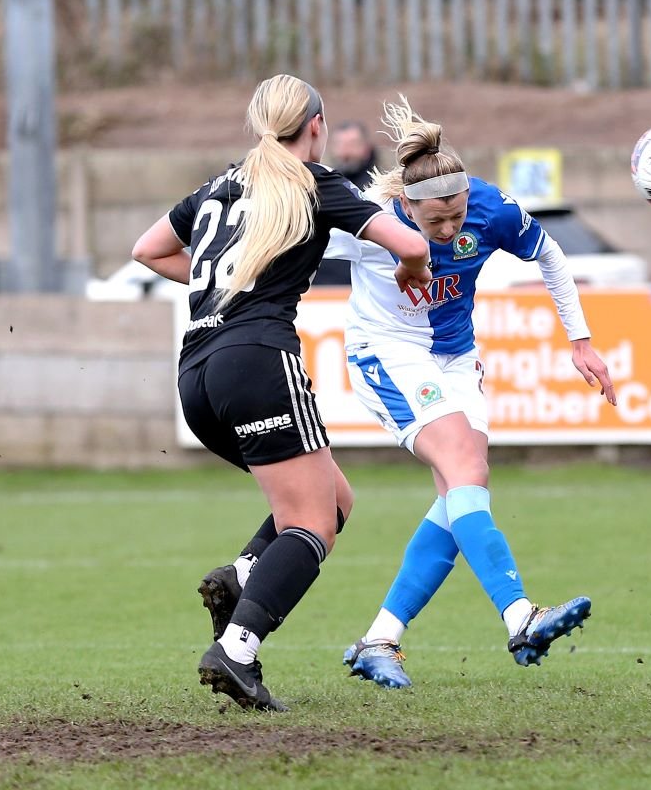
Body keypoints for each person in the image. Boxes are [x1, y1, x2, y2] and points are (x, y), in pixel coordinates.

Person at [131, 74, 430, 711]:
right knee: (312, 522)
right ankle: (237, 649)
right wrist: (413, 270)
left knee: (335, 499)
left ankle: (239, 578)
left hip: (196, 376)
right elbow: (410, 242)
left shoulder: (220, 184)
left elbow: (148, 249)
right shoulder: (313, 182)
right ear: (316, 125)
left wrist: (227, 282)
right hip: (258, 361)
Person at [323, 96, 618, 689]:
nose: (450, 230)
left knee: (465, 489)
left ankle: (380, 639)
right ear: (406, 205)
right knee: (463, 468)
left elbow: (551, 255)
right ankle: (520, 616)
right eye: (435, 223)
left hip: (456, 357)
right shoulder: (367, 221)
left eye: (456, 217)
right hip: (388, 353)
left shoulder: (488, 205)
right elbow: (287, 248)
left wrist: (581, 340)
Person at [331, 120, 379, 190]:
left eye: (352, 145)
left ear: (366, 148)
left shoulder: (379, 186)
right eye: (340, 145)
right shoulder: (327, 184)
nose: (345, 152)